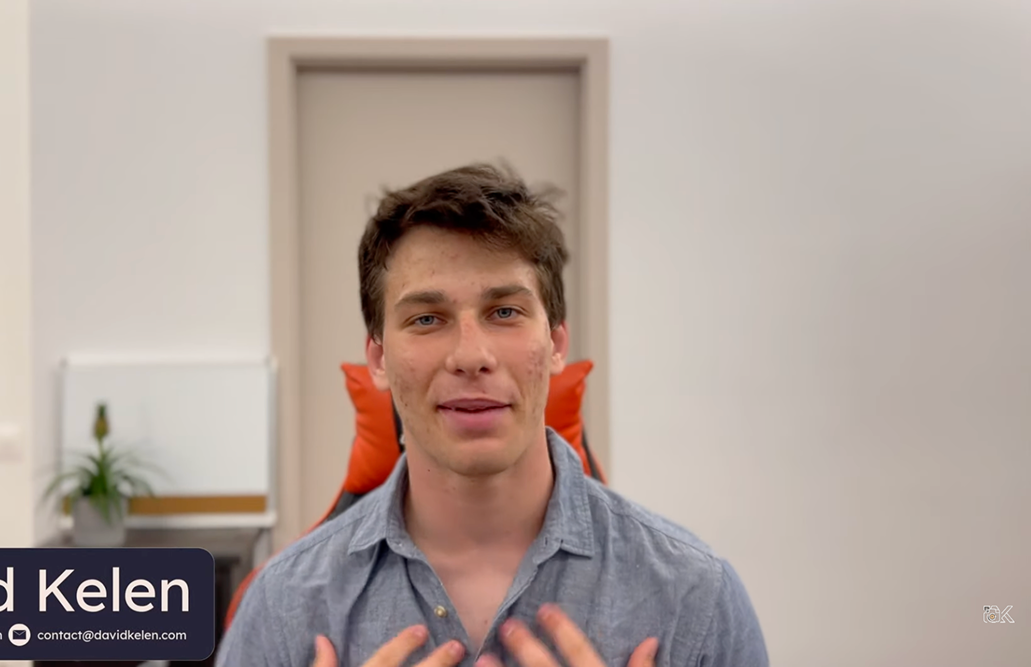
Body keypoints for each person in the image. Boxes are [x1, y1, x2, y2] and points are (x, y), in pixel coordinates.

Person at [215, 163, 769, 667]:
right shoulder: (282, 607)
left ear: (556, 345)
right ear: (378, 360)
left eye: (504, 311)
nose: (471, 356)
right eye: (427, 319)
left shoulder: (696, 597)